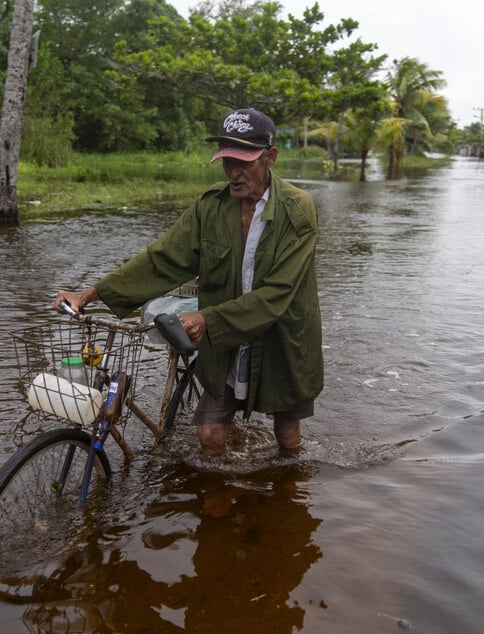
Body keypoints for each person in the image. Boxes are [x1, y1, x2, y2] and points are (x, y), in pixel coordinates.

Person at [53, 108, 324, 457]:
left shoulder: (298, 210)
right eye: (227, 161)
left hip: (282, 336)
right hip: (224, 338)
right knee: (210, 432)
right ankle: (220, 500)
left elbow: (277, 294)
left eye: (244, 162)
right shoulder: (211, 205)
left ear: (270, 157)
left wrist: (206, 319)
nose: (233, 172)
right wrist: (91, 293)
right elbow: (162, 258)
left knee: (286, 429)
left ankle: (284, 501)